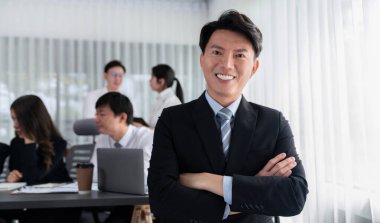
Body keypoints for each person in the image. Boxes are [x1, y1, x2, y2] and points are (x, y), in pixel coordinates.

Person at [148, 10, 308, 223]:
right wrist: (253, 187)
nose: (227, 64)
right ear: (202, 60)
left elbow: (294, 197)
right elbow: (161, 199)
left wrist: (206, 181)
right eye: (217, 52)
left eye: (240, 55)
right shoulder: (172, 120)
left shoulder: (273, 122)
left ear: (254, 67)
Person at [0, 95, 79, 223]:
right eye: (13, 119)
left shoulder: (57, 144)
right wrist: (13, 177)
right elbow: (18, 172)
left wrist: (29, 143)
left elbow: (32, 178)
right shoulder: (16, 143)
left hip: (58, 204)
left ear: (30, 119)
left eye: (17, 119)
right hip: (31, 202)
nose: (14, 125)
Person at [90, 92, 154, 223]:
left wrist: (109, 178)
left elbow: (145, 178)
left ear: (122, 117)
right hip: (110, 201)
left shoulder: (147, 137)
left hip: (141, 205)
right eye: (96, 114)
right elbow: (93, 174)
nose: (96, 119)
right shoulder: (103, 138)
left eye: (101, 114)